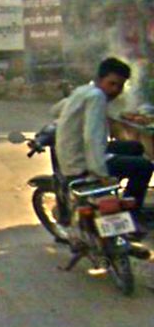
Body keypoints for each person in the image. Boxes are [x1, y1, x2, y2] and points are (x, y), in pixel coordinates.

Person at [54, 57, 153, 232]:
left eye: (120, 86)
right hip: (83, 162)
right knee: (144, 166)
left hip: (75, 154)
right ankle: (131, 216)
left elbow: (55, 110)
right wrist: (100, 174)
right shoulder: (97, 97)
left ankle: (118, 193)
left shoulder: (83, 91)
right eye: (112, 84)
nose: (115, 90)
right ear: (100, 79)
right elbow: (91, 139)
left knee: (134, 147)